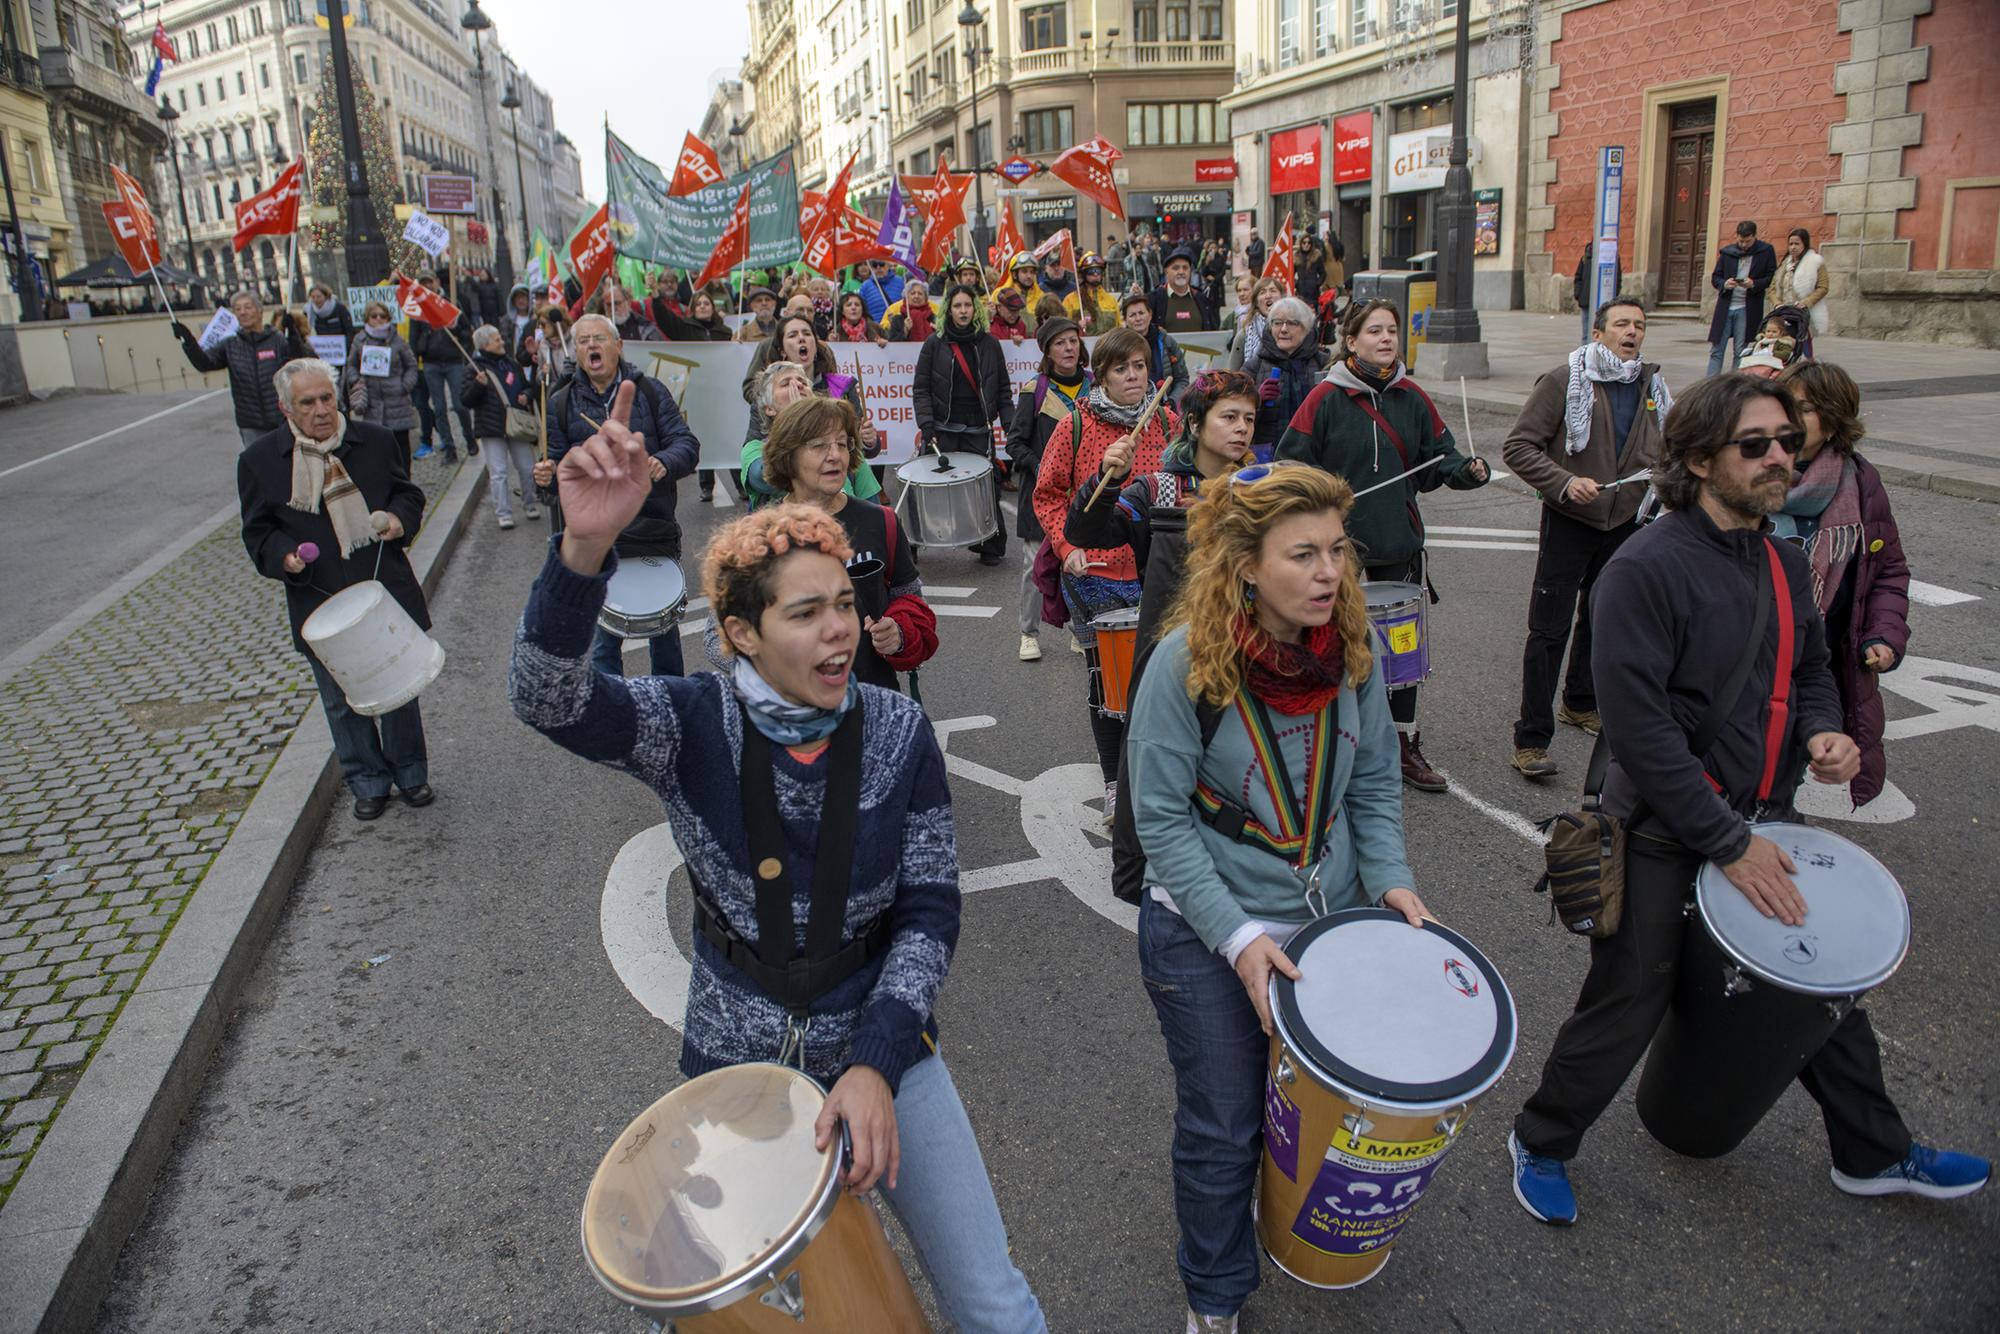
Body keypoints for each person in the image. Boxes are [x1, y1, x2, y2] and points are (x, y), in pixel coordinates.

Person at [509, 449, 1048, 1334]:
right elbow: (545, 697)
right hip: (736, 1076)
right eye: (806, 612)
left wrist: (878, 1058)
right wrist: (581, 550)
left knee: (997, 1308)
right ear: (741, 633)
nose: (839, 629)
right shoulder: (686, 722)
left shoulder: (900, 727)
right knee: (726, 1316)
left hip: (887, 1056)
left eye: (844, 604)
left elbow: (927, 910)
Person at [1507, 372, 1990, 1227]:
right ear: (1697, 460)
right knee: (1631, 997)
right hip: (1663, 828)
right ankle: (1543, 1140)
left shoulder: (1781, 559)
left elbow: (1807, 669)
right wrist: (1728, 842)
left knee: (1821, 991)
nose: (1780, 459)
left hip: (1764, 817)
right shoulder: (1641, 569)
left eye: (1787, 443)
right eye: (1755, 445)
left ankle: (1872, 1154)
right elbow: (1642, 733)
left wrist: (1822, 734)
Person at [1126, 463, 1430, 1334]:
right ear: (1247, 567)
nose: (1329, 572)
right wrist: (1237, 937)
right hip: (1203, 924)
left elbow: (1374, 787)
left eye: (1338, 550)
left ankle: (1286, 1218)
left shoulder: (1355, 648)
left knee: (1314, 1106)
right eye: (1303, 554)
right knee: (1224, 1128)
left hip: (1324, 919)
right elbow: (1158, 819)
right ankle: (1216, 1297)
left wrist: (1394, 883)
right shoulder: (1185, 660)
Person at [1276, 298, 1491, 791]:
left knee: (1402, 649)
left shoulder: (1412, 397)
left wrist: (1468, 471)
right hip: (1338, 549)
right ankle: (1333, 740)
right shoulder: (1325, 398)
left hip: (1399, 540)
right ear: (1351, 341)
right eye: (1374, 331)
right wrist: (1319, 501)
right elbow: (1290, 464)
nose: (1386, 338)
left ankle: (1402, 742)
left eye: (1392, 330)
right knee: (1333, 644)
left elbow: (1440, 461)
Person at [239, 359, 432, 822]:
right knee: (339, 699)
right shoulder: (260, 461)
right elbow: (257, 531)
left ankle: (411, 772)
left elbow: (408, 494)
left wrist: (398, 519)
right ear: (287, 409)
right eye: (308, 403)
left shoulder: (377, 440)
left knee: (398, 687)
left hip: (381, 588)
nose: (322, 409)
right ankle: (366, 780)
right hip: (318, 598)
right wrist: (284, 555)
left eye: (328, 398)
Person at [1501, 297, 1672, 778]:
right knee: (1548, 631)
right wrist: (1563, 481)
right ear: (1598, 334)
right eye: (1621, 324)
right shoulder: (1563, 380)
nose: (1631, 332)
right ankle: (1530, 741)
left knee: (1603, 619)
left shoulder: (1651, 385)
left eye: (1639, 325)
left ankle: (1579, 702)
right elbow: (1518, 446)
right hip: (1570, 518)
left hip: (1625, 521)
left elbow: (1665, 446)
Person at [1031, 327, 1177, 815]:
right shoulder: (1075, 424)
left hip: (1158, 571)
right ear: (1104, 375)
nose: (1133, 376)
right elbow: (1047, 494)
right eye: (1121, 369)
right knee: (1107, 684)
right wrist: (1068, 544)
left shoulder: (1169, 423)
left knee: (1166, 680)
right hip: (1096, 575)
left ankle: (1163, 778)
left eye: (1139, 366)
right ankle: (1115, 783)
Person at [532, 313, 700, 678]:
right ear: (575, 351)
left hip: (652, 530)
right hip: (597, 541)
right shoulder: (560, 402)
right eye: (583, 340)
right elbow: (557, 473)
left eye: (599, 338)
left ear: (618, 346)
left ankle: (671, 708)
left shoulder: (651, 392)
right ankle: (615, 718)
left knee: (663, 632)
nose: (592, 345)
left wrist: (663, 461)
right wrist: (545, 478)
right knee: (604, 642)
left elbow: (686, 445)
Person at [1776, 360, 1909, 809]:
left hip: (1813, 661)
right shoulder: (1746, 468)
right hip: (1738, 658)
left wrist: (1883, 636)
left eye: (1806, 408)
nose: (1790, 417)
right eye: (1784, 404)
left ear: (1834, 421)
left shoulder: (1860, 483)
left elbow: (1887, 570)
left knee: (1780, 780)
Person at [757, 396, 939, 689]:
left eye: (842, 444)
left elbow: (913, 602)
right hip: (795, 714)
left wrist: (900, 632)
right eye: (819, 445)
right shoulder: (760, 535)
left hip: (875, 701)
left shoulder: (882, 521)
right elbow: (719, 638)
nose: (835, 456)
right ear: (787, 457)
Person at [1006, 317, 1092, 663]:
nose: (1069, 348)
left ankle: (1079, 630)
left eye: (1073, 341)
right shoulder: (1035, 390)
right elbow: (1015, 443)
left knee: (1080, 564)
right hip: (1041, 498)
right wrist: (1042, 467)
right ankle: (1028, 633)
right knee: (1033, 568)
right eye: (1060, 343)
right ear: (1047, 351)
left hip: (1085, 497)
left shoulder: (1095, 386)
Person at [910, 283, 1013, 565]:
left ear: (975, 309)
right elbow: (921, 388)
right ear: (949, 310)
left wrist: (1011, 426)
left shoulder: (990, 344)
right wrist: (926, 423)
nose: (963, 310)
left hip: (978, 428)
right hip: (941, 428)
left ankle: (990, 543)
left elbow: (1003, 389)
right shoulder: (934, 343)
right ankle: (910, 542)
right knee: (923, 485)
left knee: (985, 485)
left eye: (968, 305)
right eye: (957, 306)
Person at [173, 288, 309, 448]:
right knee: (260, 470)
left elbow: (299, 363)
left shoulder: (277, 340)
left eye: (247, 307)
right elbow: (204, 363)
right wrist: (188, 341)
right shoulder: (230, 345)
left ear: (259, 311)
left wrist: (293, 334)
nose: (243, 312)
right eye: (238, 309)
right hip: (251, 425)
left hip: (284, 420)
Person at [740, 362, 885, 511]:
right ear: (769, 409)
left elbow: (873, 511)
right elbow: (766, 479)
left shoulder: (843, 449)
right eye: (785, 384)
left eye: (802, 382)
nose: (797, 385)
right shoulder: (755, 449)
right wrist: (796, 420)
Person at [743, 314, 878, 453]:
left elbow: (862, 448)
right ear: (782, 350)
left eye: (807, 333)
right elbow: (752, 455)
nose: (801, 338)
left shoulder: (842, 386)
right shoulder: (768, 394)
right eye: (792, 335)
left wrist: (869, 442)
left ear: (815, 343)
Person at [462, 323, 541, 530]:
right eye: (497, 339)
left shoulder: (511, 364)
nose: (502, 342)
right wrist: (478, 385)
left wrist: (526, 395)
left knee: (526, 467)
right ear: (486, 344)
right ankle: (503, 513)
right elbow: (466, 400)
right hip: (492, 427)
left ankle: (530, 503)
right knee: (498, 472)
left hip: (517, 425)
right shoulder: (474, 368)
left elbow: (527, 386)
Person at [1242, 296, 1331, 460]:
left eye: (1292, 323)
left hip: (1315, 455)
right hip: (1268, 458)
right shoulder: (1254, 366)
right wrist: (1256, 400)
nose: (1283, 329)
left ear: (1307, 329)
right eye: (1277, 323)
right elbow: (1237, 418)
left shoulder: (1324, 364)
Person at [341, 300, 420, 471]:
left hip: (397, 403)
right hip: (372, 404)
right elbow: (351, 366)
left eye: (382, 316)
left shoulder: (397, 340)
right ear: (367, 318)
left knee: (401, 450)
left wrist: (405, 385)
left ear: (388, 318)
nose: (378, 319)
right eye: (374, 315)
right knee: (378, 451)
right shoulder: (360, 340)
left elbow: (412, 366)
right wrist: (357, 381)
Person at [408, 270, 476, 463]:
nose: (428, 286)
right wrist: (415, 360)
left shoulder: (451, 303)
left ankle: (469, 438)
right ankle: (449, 447)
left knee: (459, 404)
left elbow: (466, 331)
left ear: (437, 282)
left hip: (453, 361)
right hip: (431, 363)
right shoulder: (418, 309)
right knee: (439, 408)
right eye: (424, 283)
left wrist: (458, 333)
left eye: (430, 281)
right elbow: (413, 339)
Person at [1706, 221, 1777, 376]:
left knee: (1741, 350)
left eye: (1748, 241)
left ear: (1755, 236)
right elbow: (1715, 277)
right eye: (1741, 241)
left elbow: (1771, 277)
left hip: (1748, 307)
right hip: (1726, 306)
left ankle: (1735, 384)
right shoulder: (1727, 253)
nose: (1744, 245)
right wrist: (1725, 283)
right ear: (1736, 237)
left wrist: (1754, 284)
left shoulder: (1765, 251)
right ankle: (1709, 385)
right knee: (1717, 349)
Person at [1123, 292, 1190, 403]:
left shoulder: (1167, 342)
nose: (1138, 318)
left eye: (1141, 313)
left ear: (1150, 315)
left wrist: (1172, 402)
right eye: (1132, 315)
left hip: (1165, 408)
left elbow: (1182, 379)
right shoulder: (1118, 347)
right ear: (1125, 319)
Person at [1771, 228, 1829, 346]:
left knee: (1803, 344)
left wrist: (1806, 302)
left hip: (1802, 311)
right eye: (1791, 244)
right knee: (1782, 345)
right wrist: (1777, 303)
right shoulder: (1784, 264)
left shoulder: (1815, 262)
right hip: (1783, 310)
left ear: (1805, 244)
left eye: (1797, 244)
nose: (1793, 247)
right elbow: (1772, 288)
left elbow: (1823, 287)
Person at [1149, 246, 1214, 335]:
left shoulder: (1201, 299)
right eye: (1176, 268)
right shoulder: (1154, 299)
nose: (1181, 272)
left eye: (1185, 268)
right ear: (1166, 271)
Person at [1226, 277, 1285, 372]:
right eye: (1262, 292)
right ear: (1256, 302)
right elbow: (1233, 373)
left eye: (1273, 291)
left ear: (1282, 297)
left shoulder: (1293, 330)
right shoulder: (1244, 334)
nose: (1268, 295)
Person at [1063, 252, 1119, 335]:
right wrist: (1076, 325)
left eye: (1098, 271)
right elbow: (1062, 326)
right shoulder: (1070, 300)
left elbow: (1119, 327)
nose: (1095, 274)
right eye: (1091, 271)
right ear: (1083, 274)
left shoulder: (1111, 300)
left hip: (1108, 346)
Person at [858, 258, 906, 323]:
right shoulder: (865, 286)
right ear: (871, 267)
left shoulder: (901, 282)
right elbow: (861, 311)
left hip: (897, 328)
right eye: (874, 265)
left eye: (881, 264)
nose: (878, 267)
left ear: (888, 265)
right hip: (876, 329)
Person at [1002, 255, 1044, 325]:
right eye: (1024, 272)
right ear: (1014, 274)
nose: (1029, 276)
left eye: (1032, 272)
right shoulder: (1000, 294)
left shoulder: (1042, 297)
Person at [500, 284, 536, 357]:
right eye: (517, 298)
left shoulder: (535, 318)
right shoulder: (506, 321)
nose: (521, 301)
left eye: (523, 297)